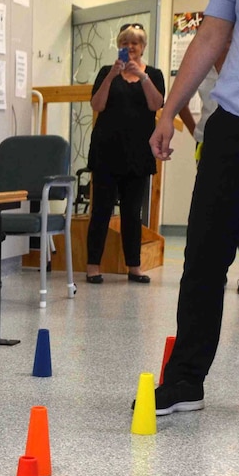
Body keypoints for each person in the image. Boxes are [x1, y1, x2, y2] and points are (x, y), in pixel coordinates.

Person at [146, 0, 239, 417]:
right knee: (204, 255)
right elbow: (211, 34)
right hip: (233, 118)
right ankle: (186, 378)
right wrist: (169, 111)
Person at [85, 23, 166, 285]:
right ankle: (93, 266)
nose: (130, 47)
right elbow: (97, 104)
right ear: (119, 46)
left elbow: (156, 104)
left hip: (138, 153)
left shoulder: (153, 74)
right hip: (106, 152)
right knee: (101, 210)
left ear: (142, 47)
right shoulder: (106, 72)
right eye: (125, 43)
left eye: (135, 43)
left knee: (133, 213)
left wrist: (141, 77)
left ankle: (134, 266)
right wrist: (112, 76)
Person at [178, 39, 239, 294]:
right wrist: (195, 131)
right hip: (210, 142)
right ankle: (212, 271)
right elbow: (181, 99)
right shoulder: (204, 60)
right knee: (211, 211)